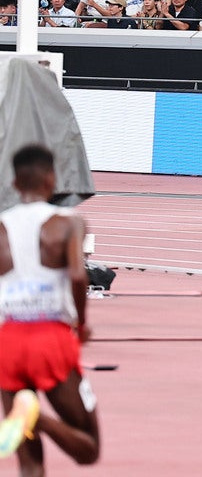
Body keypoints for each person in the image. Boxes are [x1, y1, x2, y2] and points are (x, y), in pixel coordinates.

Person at [0, 145, 101, 473]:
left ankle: (27, 417)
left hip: (9, 340)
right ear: (51, 180)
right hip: (50, 337)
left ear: (14, 183)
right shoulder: (69, 223)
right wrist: (81, 324)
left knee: (28, 461)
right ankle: (39, 419)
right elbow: (76, 273)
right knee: (88, 446)